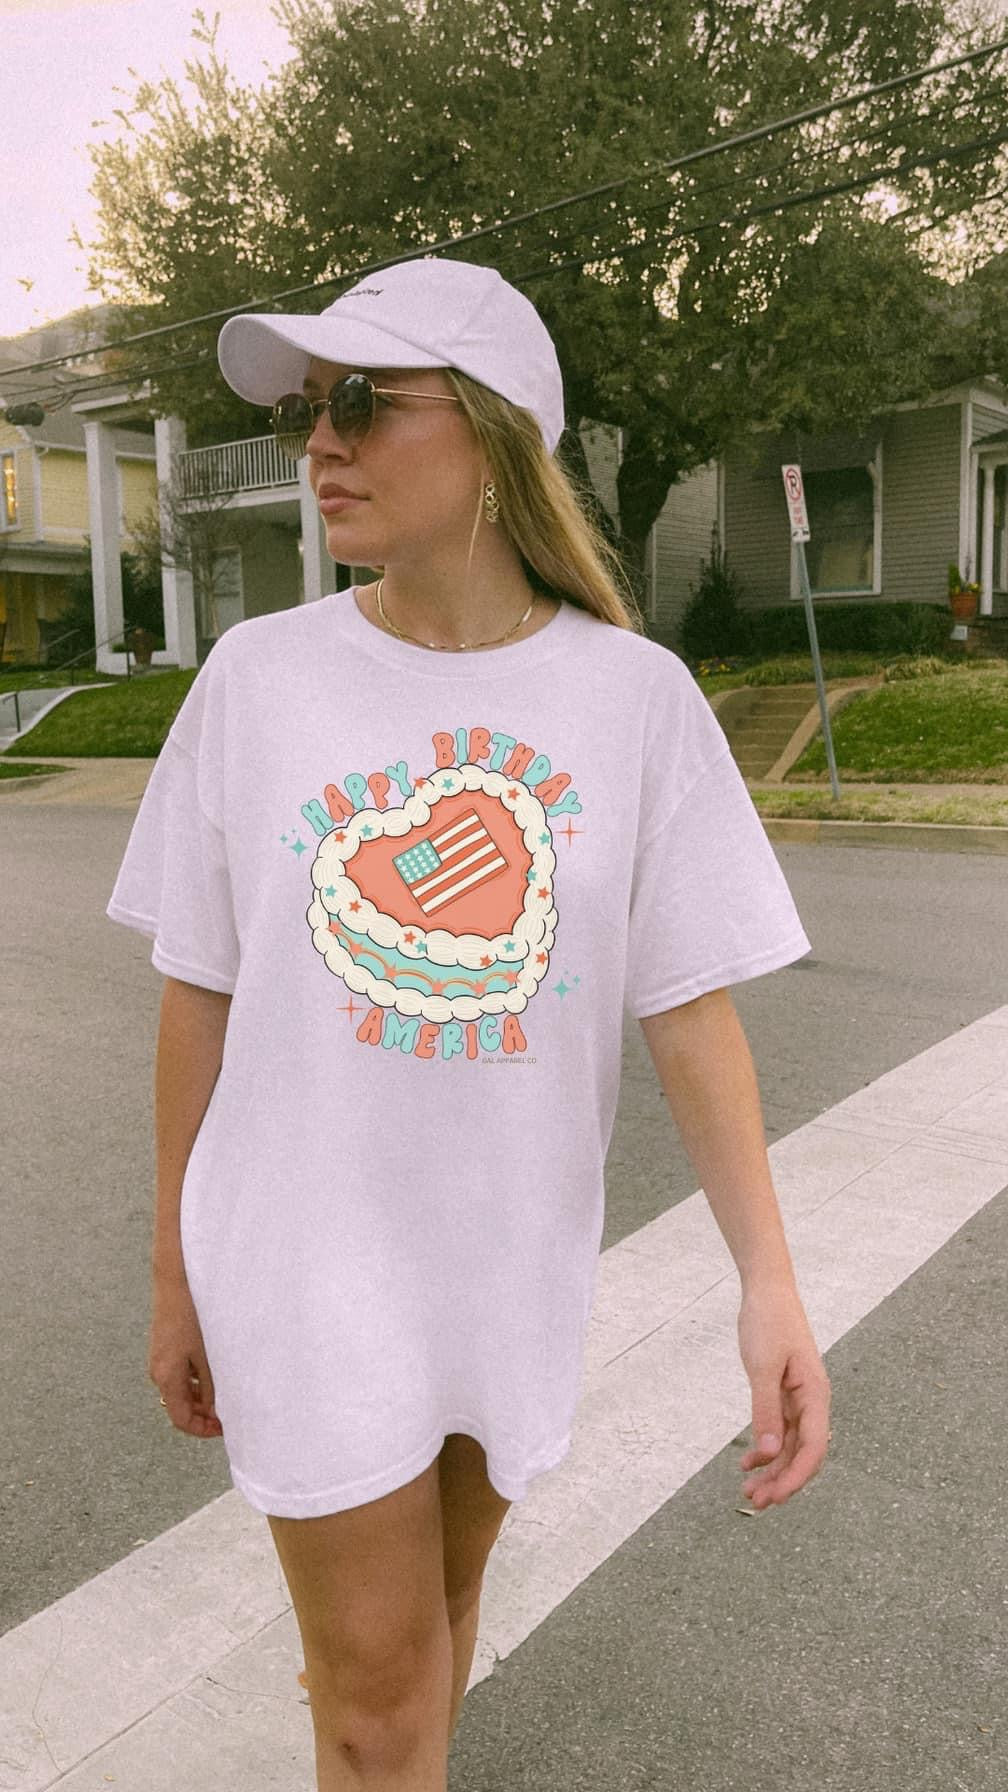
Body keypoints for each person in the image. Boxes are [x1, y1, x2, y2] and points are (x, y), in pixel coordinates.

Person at [106, 253, 831, 1792]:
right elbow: (199, 990)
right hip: (302, 1267)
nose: (321, 441)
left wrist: (769, 1285)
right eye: (310, 409)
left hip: (509, 1264)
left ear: (495, 434)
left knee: (431, 1633)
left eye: (365, 402)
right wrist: (176, 1271)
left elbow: (689, 1011)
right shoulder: (258, 679)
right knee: (377, 1705)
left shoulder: (634, 701)